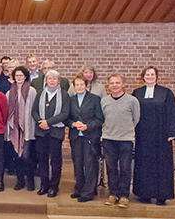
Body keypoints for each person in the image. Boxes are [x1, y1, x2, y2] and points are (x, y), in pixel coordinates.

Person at [132, 66, 175, 206]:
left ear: (157, 76)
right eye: (147, 74)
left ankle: (162, 195)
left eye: (152, 74)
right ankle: (144, 194)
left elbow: (172, 113)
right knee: (144, 163)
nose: (150, 76)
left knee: (162, 165)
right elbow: (133, 113)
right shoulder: (137, 92)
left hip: (161, 136)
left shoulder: (166, 93)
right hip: (143, 135)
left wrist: (172, 132)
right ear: (143, 76)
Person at [101, 74, 140, 208]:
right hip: (108, 139)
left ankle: (124, 195)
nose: (114, 85)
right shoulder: (104, 101)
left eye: (117, 83)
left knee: (125, 168)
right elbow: (103, 118)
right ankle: (113, 193)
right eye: (112, 83)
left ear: (123, 84)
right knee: (111, 168)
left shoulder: (132, 100)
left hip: (125, 139)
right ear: (108, 85)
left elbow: (136, 119)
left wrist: (126, 131)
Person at [32, 69, 70, 198]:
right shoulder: (40, 93)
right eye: (50, 79)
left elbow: (65, 113)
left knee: (55, 161)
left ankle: (54, 187)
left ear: (58, 81)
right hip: (41, 132)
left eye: (54, 79)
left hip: (56, 133)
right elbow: (34, 111)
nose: (52, 81)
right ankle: (44, 185)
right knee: (42, 160)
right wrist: (40, 122)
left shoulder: (64, 95)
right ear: (46, 81)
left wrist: (48, 122)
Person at [67, 74, 104, 203]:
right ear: (74, 86)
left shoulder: (94, 99)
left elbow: (100, 119)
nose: (79, 87)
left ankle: (88, 192)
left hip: (90, 136)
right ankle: (79, 189)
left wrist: (87, 126)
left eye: (82, 84)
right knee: (78, 164)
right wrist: (73, 124)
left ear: (86, 85)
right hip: (75, 136)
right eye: (77, 84)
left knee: (89, 164)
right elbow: (67, 118)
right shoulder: (70, 99)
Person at [6, 66, 37, 192]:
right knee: (17, 156)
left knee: (26, 156)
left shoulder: (32, 91)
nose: (19, 78)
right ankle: (20, 181)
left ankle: (30, 180)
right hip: (15, 129)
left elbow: (35, 110)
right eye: (16, 76)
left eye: (21, 75)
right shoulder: (10, 92)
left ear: (25, 76)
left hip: (27, 128)